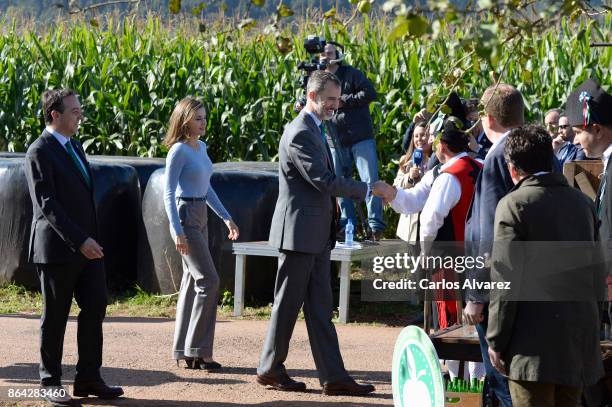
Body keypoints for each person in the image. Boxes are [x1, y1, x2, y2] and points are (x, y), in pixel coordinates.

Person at [257, 70, 375, 396]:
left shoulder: (316, 128)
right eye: (331, 100)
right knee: (287, 306)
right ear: (312, 96)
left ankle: (333, 377)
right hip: (299, 235)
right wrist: (368, 189)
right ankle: (270, 368)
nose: (336, 107)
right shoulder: (300, 132)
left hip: (316, 235)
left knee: (320, 309)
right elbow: (323, 181)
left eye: (337, 100)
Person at [486, 124, 604, 406]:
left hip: (532, 350)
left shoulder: (513, 205)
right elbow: (597, 275)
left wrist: (496, 339)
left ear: (512, 169)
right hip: (576, 345)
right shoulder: (583, 203)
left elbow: (506, 281)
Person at [24, 89, 123, 406]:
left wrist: (89, 240)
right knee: (55, 315)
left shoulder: (75, 147)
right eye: (74, 111)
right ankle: (49, 381)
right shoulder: (39, 151)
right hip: (57, 249)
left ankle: (89, 377)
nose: (80, 116)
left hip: (87, 248)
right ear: (55, 114)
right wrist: (80, 240)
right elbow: (48, 205)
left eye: (80, 110)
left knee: (95, 305)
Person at [374, 118, 485, 382]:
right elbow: (412, 200)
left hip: (450, 260)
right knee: (477, 321)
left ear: (442, 145)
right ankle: (477, 384)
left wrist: (424, 252)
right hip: (481, 259)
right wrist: (391, 193)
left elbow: (429, 219)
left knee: (452, 324)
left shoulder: (448, 175)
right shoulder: (478, 166)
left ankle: (462, 385)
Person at [163, 97, 239, 370]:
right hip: (186, 217)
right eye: (198, 118)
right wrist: (176, 229)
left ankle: (185, 350)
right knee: (209, 280)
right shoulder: (178, 151)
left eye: (204, 117)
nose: (203, 122)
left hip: (202, 215)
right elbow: (169, 193)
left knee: (192, 282)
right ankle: (197, 351)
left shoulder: (202, 147)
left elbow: (206, 188)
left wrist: (226, 217)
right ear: (184, 120)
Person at [462, 83, 523, 407]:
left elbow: (488, 233)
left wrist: (476, 296)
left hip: (497, 288)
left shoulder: (498, 156)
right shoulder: (532, 148)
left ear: (488, 119)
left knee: (500, 378)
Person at [320, 42, 385, 240]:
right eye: (323, 54)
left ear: (337, 55)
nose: (326, 57)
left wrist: (345, 100)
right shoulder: (319, 80)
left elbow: (370, 93)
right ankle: (347, 226)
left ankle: (375, 226)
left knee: (370, 180)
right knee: (339, 184)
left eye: (329, 53)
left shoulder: (351, 74)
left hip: (359, 137)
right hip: (335, 140)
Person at [393, 121, 431, 243]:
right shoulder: (406, 161)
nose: (419, 139)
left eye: (423, 135)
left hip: (429, 224)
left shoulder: (437, 160)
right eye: (416, 136)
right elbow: (396, 186)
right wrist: (410, 177)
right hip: (409, 228)